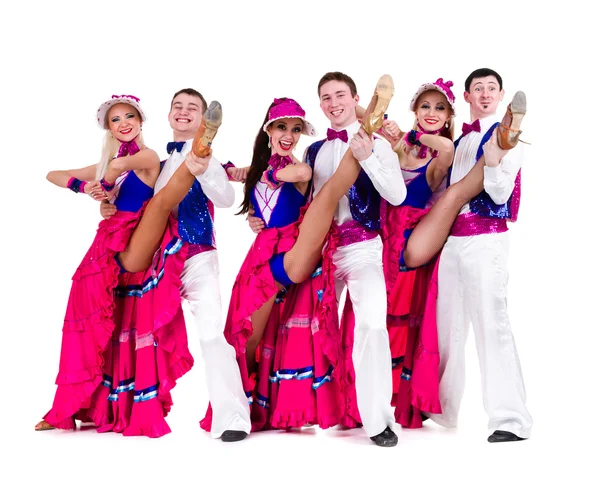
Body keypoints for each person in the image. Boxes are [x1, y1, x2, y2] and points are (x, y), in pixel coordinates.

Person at [35, 94, 221, 437]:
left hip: (140, 237)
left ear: (140, 121)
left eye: (129, 117)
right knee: (104, 325)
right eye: (116, 119)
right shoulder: (109, 162)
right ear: (109, 127)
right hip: (109, 247)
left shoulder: (147, 156)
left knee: (163, 201)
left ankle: (202, 145)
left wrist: (103, 184)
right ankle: (78, 405)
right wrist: (84, 186)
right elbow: (52, 174)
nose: (124, 123)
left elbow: (123, 166)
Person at [100, 88, 252, 442]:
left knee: (212, 333)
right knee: (141, 335)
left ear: (201, 119)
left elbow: (227, 199)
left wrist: (206, 171)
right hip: (156, 262)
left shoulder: (206, 156)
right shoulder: (153, 161)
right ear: (168, 116)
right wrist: (106, 205)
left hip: (197, 254)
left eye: (192, 108)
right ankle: (132, 409)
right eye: (178, 107)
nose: (184, 112)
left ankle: (233, 418)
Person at [397, 68, 531, 442]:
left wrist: (492, 159)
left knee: (492, 324)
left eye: (492, 88)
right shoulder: (459, 141)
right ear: (468, 98)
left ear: (500, 95)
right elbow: (442, 196)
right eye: (478, 89)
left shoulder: (508, 139)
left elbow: (501, 195)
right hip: (452, 242)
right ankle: (441, 408)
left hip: (486, 240)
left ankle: (510, 420)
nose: (485, 94)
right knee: (445, 326)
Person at [369, 78, 456, 428]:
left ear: (449, 115)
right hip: (381, 241)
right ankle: (371, 399)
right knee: (376, 320)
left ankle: (404, 402)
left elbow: (447, 152)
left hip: (410, 248)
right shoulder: (395, 145)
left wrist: (414, 135)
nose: (431, 113)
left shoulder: (440, 151)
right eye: (425, 106)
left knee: (401, 324)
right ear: (414, 110)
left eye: (439, 108)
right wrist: (384, 120)